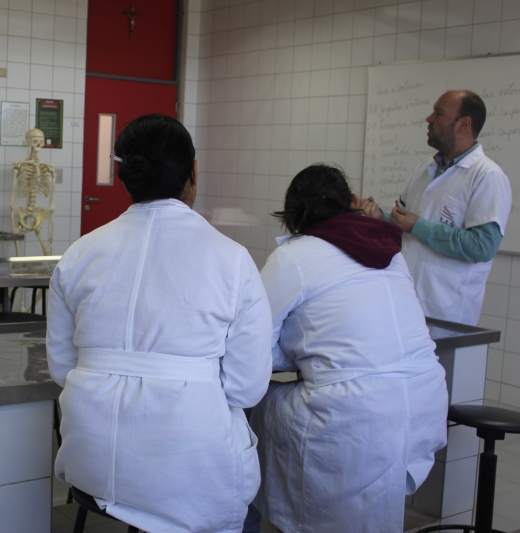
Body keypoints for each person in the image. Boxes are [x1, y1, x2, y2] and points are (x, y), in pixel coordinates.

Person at [47, 114, 273, 533]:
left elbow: (63, 368)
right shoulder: (232, 260)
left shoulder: (78, 255)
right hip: (186, 466)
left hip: (92, 458)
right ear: (193, 174)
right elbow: (246, 387)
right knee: (242, 514)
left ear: (127, 177)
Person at [243, 165, 448, 533]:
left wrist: (303, 351)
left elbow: (253, 344)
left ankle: (245, 518)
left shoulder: (295, 255)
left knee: (247, 409)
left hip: (354, 413)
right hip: (424, 402)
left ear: (293, 219)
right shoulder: (393, 253)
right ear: (353, 201)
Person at [362, 90, 512, 325]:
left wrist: (418, 226)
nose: (429, 119)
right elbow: (405, 224)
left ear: (464, 124)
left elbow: (482, 247)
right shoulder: (424, 169)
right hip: (405, 302)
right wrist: (381, 216)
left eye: (439, 113)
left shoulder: (487, 176)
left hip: (446, 313)